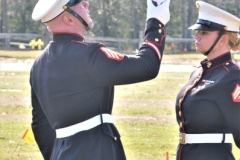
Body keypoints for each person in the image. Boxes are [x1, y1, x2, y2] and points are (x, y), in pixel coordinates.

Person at [30, 0, 170, 159]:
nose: (86, 4)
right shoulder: (89, 54)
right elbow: (147, 66)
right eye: (80, 4)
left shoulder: (38, 64)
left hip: (61, 152)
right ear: (69, 19)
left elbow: (40, 125)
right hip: (96, 149)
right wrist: (156, 21)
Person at [175, 1, 240, 160]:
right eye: (198, 31)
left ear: (223, 40)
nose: (196, 35)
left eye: (204, 32)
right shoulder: (199, 72)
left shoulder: (232, 76)